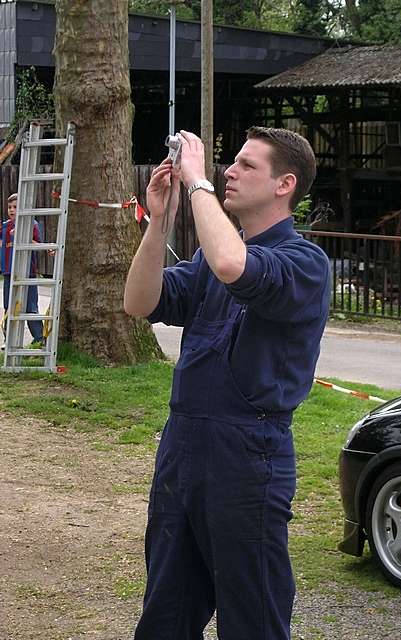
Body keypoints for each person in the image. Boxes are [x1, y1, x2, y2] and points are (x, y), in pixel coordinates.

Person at [124, 127, 331, 640]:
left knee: (252, 621)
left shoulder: (305, 263)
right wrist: (161, 221)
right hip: (182, 449)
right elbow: (140, 301)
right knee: (165, 615)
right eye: (228, 164)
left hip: (249, 457)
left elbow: (234, 266)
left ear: (285, 184)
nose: (229, 172)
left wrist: (197, 183)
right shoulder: (208, 259)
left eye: (245, 165)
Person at [1, 193, 44, 345]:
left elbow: (38, 245)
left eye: (15, 207)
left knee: (30, 306)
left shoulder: (32, 224)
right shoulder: (5, 226)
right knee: (9, 306)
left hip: (27, 272)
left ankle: (39, 339)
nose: (12, 210)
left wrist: (21, 236)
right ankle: (10, 340)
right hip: (8, 272)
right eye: (10, 207)